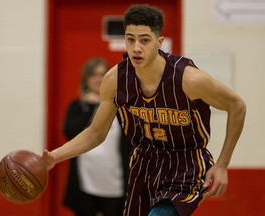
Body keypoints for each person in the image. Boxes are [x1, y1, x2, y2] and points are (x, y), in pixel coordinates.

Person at [42, 4, 246, 216]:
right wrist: (54, 157)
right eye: (130, 39)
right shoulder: (116, 80)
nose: (136, 47)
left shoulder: (189, 79)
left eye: (144, 40)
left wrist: (222, 164)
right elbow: (95, 132)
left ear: (159, 42)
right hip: (144, 165)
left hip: (185, 165)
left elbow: (237, 106)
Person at [62, 58, 130, 216]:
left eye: (102, 74)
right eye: (94, 75)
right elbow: (69, 132)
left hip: (115, 181)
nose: (99, 79)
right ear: (86, 79)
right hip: (86, 181)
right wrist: (90, 108)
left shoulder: (120, 108)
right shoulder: (77, 107)